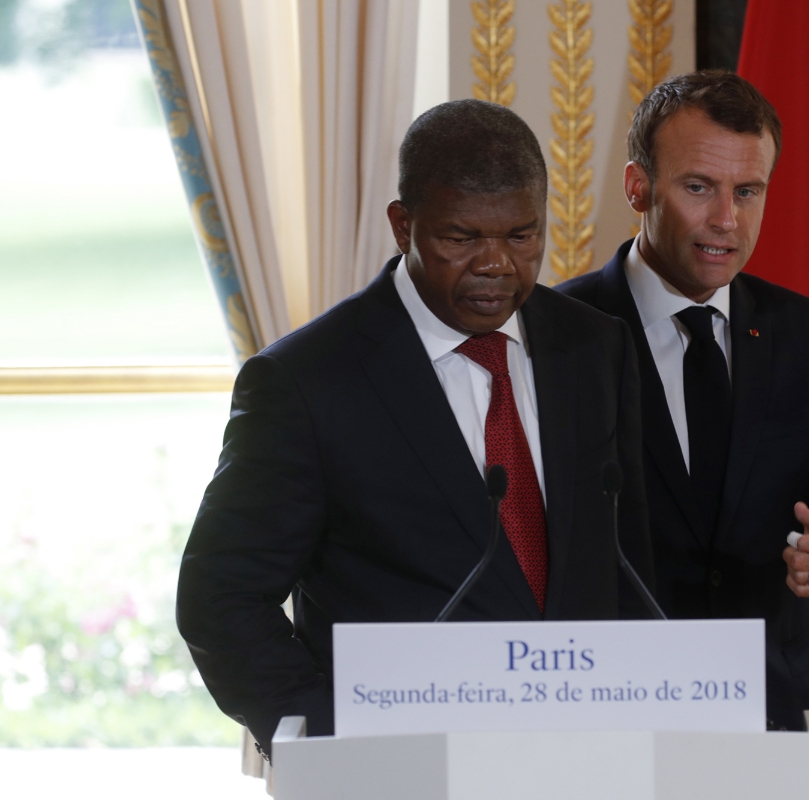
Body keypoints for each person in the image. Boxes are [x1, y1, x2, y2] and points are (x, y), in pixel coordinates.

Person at [177, 100, 653, 755]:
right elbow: (221, 596)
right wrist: (328, 740)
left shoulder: (595, 347)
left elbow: (628, 556)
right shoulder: (308, 381)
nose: (496, 264)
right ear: (404, 227)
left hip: (589, 751)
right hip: (399, 764)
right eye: (461, 238)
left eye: (521, 235)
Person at [558, 71, 809, 799]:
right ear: (637, 187)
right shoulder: (556, 338)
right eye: (699, 188)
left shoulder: (804, 336)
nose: (727, 218)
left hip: (776, 725)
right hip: (609, 729)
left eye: (747, 191)